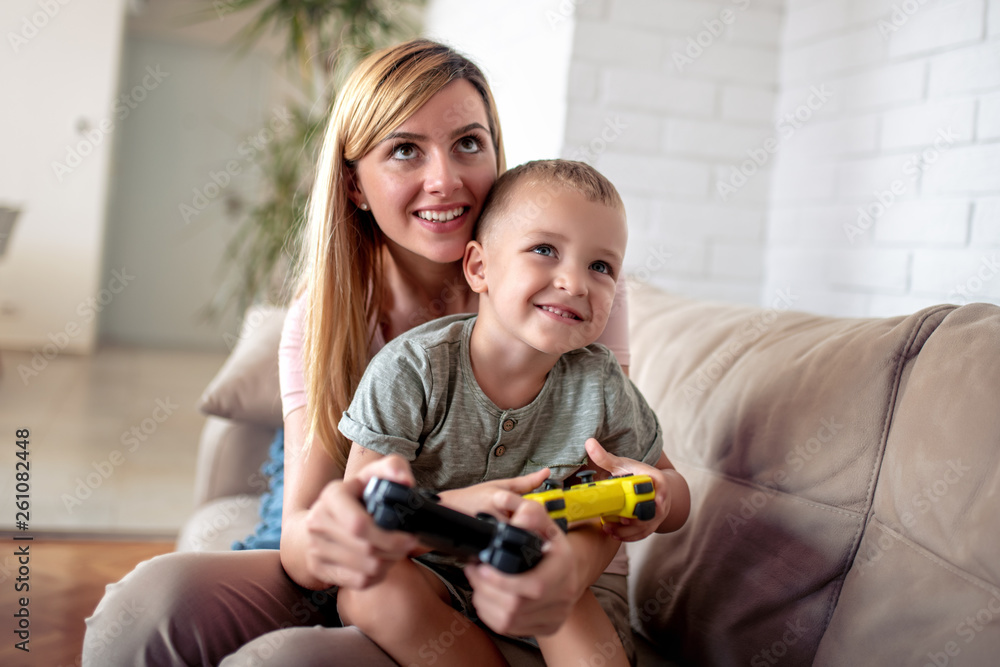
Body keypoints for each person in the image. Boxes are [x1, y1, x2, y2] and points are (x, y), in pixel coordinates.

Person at [83, 39, 684, 666]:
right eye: (404, 150)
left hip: (518, 576)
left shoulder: (569, 299)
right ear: (355, 186)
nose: (444, 179)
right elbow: (304, 544)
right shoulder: (334, 318)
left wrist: (561, 566)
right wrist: (405, 524)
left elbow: (610, 472)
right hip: (375, 559)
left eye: (468, 143)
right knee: (145, 607)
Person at [334, 159, 690, 667]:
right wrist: (458, 510)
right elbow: (363, 519)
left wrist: (658, 497)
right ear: (479, 268)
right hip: (433, 576)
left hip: (553, 585)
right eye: (545, 250)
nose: (575, 282)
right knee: (366, 593)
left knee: (559, 591)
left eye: (601, 267)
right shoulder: (410, 371)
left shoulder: (601, 382)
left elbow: (676, 498)